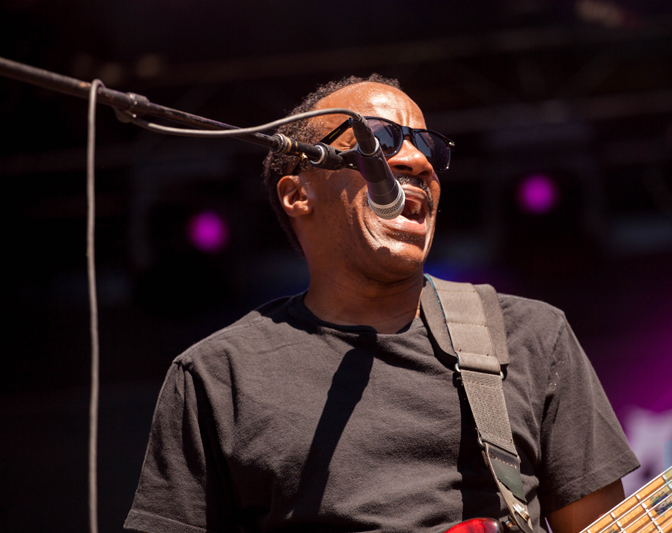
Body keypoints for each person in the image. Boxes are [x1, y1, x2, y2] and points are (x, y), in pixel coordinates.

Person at [124, 75, 639, 533]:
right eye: (379, 140)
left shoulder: (532, 336)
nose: (417, 160)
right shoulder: (217, 376)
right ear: (298, 194)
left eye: (428, 146)